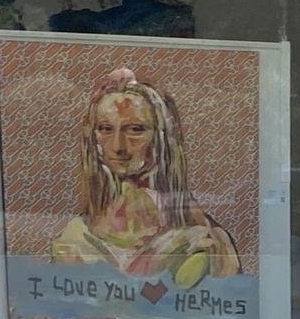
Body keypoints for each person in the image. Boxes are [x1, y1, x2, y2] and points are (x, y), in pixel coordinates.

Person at [46, 68, 240, 282]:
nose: (118, 146)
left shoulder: (202, 240)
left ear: (162, 137)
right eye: (105, 129)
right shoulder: (76, 240)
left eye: (135, 129)